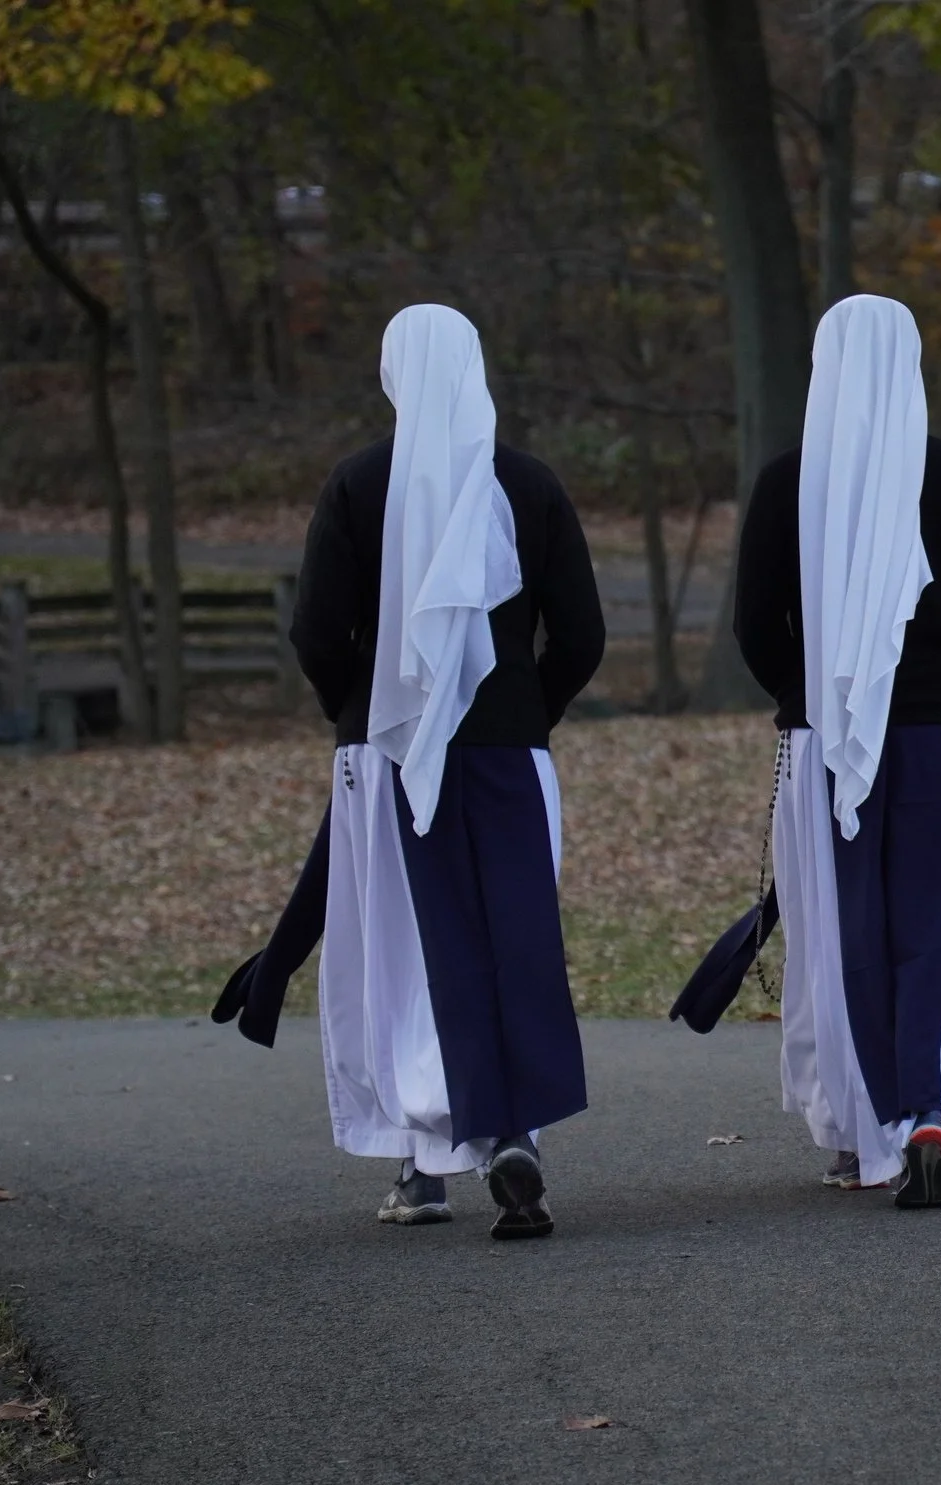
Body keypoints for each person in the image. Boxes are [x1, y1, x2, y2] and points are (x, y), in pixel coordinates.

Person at [283, 303, 604, 1238]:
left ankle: (421, 1168)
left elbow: (315, 630)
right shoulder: (527, 485)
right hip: (509, 751)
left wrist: (354, 712)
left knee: (397, 949)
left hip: (382, 754)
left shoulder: (357, 485)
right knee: (516, 944)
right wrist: (523, 714)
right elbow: (579, 635)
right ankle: (515, 1130)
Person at [732, 294, 941, 1207]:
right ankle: (923, 1109)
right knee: (936, 924)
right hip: (940, 731)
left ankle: (869, 1140)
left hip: (825, 735)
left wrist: (807, 692)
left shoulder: (789, 482)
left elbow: (754, 624)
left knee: (842, 925)